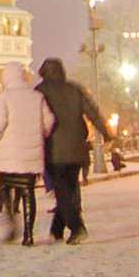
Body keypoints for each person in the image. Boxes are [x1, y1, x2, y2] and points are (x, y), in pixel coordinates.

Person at [34, 57, 113, 245]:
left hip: (53, 150)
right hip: (77, 148)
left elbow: (33, 120)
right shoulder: (75, 89)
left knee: (61, 190)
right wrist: (107, 133)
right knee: (68, 189)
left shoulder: (39, 92)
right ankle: (57, 228)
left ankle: (78, 228)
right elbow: (92, 112)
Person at [0, 62, 55, 246]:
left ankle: (12, 226)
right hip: (31, 156)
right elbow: (49, 121)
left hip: (8, 157)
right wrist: (39, 135)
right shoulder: (37, 96)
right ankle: (29, 234)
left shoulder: (5, 97)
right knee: (29, 194)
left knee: (6, 191)